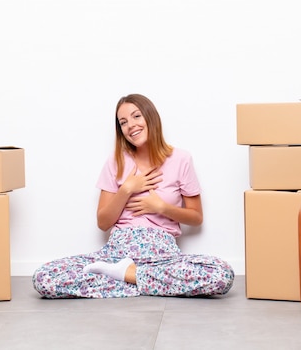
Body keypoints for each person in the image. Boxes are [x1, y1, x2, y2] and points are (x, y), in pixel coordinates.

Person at [32, 94, 235, 298]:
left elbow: (196, 217)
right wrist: (126, 189)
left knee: (221, 274)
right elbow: (103, 223)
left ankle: (125, 276)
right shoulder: (115, 161)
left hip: (163, 256)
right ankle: (145, 279)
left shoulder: (181, 159)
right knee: (44, 278)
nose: (130, 125)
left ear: (150, 117)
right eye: (123, 122)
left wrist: (161, 208)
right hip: (117, 253)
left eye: (136, 116)